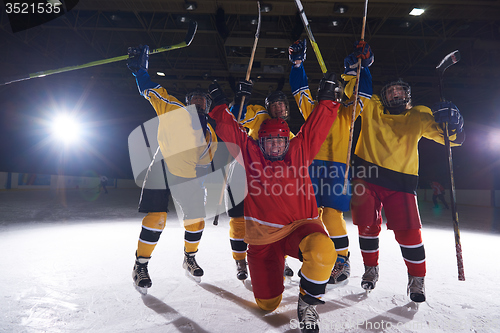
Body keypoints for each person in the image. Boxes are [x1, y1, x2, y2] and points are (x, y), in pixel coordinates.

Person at [208, 73, 341, 332]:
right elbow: (229, 129)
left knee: (324, 250)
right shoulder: (251, 155)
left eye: (280, 141)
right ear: (261, 143)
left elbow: (316, 127)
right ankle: (275, 267)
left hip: (300, 228)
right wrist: (218, 106)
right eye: (270, 142)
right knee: (268, 305)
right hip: (264, 239)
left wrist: (327, 98)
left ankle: (308, 303)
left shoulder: (298, 151)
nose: (276, 147)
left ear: (286, 141)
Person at [344, 43, 465, 302]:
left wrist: (453, 122)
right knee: (366, 226)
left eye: (400, 90)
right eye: (391, 91)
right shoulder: (372, 106)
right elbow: (354, 94)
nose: (396, 94)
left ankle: (417, 278)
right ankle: (370, 268)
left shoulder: (419, 115)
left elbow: (451, 139)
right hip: (365, 177)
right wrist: (356, 70)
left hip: (401, 183)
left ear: (408, 96)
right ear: (384, 95)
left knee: (409, 232)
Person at [127, 45, 218, 291]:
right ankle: (141, 265)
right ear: (188, 102)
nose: (199, 104)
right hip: (161, 169)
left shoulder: (210, 134)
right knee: (156, 219)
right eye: (195, 100)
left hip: (187, 177)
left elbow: (205, 163)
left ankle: (189, 257)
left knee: (196, 221)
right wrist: (139, 72)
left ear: (208, 107)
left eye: (203, 101)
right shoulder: (173, 107)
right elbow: (150, 90)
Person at [288, 39, 373, 285]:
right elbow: (299, 88)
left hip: (337, 169)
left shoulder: (347, 111)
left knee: (333, 216)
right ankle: (316, 255)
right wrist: (297, 64)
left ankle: (342, 260)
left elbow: (363, 93)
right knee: (310, 215)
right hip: (311, 168)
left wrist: (363, 68)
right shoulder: (313, 109)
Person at [225, 83, 296, 281]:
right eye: (274, 105)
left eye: (282, 105)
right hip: (241, 174)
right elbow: (236, 116)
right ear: (268, 108)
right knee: (239, 222)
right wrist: (242, 100)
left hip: (263, 184)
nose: (278, 108)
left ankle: (281, 258)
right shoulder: (259, 116)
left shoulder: (289, 135)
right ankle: (240, 261)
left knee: (275, 221)